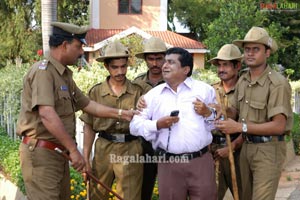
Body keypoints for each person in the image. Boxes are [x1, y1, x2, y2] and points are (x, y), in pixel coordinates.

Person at [16, 22, 136, 200]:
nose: (81, 52)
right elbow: (46, 114)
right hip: (42, 156)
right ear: (65, 45)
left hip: (58, 154)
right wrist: (74, 150)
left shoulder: (64, 75)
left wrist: (121, 114)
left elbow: (88, 105)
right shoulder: (44, 72)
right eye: (79, 46)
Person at [216, 27, 293, 200]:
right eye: (247, 49)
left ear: (267, 53)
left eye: (255, 49)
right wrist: (221, 109)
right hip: (246, 149)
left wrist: (239, 127)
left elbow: (279, 126)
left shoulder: (277, 83)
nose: (250, 54)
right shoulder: (243, 79)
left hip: (268, 151)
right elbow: (235, 111)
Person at [130, 47, 218, 199]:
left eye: (171, 62)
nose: (164, 66)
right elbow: (134, 126)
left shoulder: (205, 91)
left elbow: (217, 124)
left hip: (200, 162)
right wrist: (157, 124)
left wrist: (208, 113)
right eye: (165, 62)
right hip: (168, 164)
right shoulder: (152, 96)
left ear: (185, 69)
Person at [80, 40, 151, 200]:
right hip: (103, 148)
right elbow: (89, 126)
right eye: (115, 67)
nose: (120, 71)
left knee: (130, 196)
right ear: (106, 66)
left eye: (123, 66)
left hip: (130, 148)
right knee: (97, 194)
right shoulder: (96, 92)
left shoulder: (138, 91)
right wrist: (86, 158)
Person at [208, 44, 243, 200]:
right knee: (211, 195)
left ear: (237, 66)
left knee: (242, 194)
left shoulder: (246, 90)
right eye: (219, 65)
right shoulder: (210, 90)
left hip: (238, 151)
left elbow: (249, 125)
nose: (221, 69)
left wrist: (231, 148)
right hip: (213, 152)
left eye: (226, 65)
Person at [134, 36, 167, 200]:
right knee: (142, 189)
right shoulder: (137, 84)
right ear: (145, 60)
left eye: (159, 58)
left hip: (168, 142)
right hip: (143, 145)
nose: (155, 63)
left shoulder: (173, 81)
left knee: (170, 189)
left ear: (165, 58)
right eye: (151, 59)